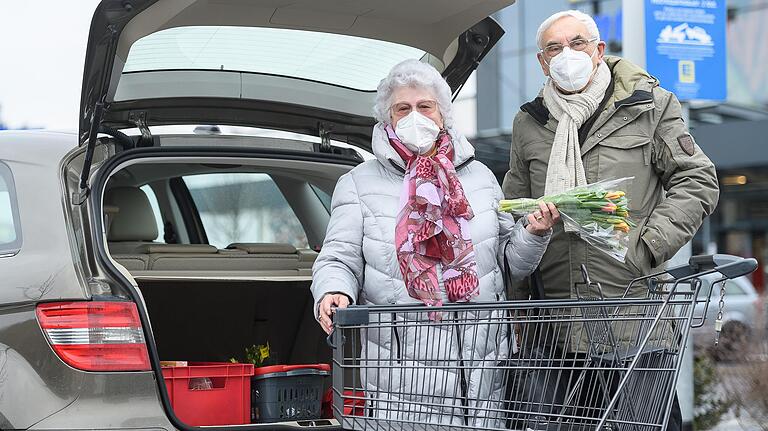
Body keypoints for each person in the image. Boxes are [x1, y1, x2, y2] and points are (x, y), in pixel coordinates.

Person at [502, 10, 720, 431]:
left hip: (633, 322)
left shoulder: (650, 106)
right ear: (542, 62)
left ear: (599, 50)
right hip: (555, 330)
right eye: (554, 48)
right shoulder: (529, 122)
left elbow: (698, 178)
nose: (567, 54)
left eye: (577, 43)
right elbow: (515, 205)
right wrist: (529, 231)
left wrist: (649, 245)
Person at [311, 59, 559, 427]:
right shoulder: (358, 184)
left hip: (482, 372)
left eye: (424, 106)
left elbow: (507, 264)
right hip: (402, 376)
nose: (415, 116)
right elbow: (339, 258)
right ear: (387, 119)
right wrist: (333, 290)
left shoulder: (481, 177)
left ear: (443, 114)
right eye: (403, 108)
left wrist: (533, 234)